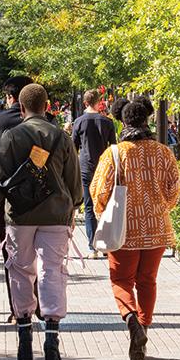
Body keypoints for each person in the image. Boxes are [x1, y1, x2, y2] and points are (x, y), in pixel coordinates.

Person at [0, 83, 82, 360]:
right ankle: (52, 334)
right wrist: (73, 208)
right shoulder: (61, 137)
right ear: (47, 106)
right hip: (55, 215)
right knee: (53, 271)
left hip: (20, 216)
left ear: (21, 108)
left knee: (21, 269)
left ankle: (24, 333)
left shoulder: (10, 136)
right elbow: (73, 180)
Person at [90, 97, 180, 360]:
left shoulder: (115, 153)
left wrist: (102, 214)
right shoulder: (164, 152)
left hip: (122, 231)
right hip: (156, 228)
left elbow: (99, 192)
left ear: (123, 121)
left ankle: (131, 320)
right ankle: (144, 329)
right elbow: (174, 191)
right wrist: (160, 208)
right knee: (147, 281)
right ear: (147, 120)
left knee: (121, 281)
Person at [0, 75, 34, 321]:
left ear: (10, 97)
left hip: (8, 197)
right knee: (39, 251)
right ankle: (37, 299)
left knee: (11, 253)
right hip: (41, 197)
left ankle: (17, 308)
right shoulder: (46, 122)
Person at [71, 89, 116, 257]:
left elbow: (73, 147)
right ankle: (105, 243)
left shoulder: (79, 122)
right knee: (105, 205)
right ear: (99, 102)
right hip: (104, 168)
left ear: (85, 103)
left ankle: (93, 246)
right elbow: (113, 146)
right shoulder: (107, 122)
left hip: (85, 167)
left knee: (89, 206)